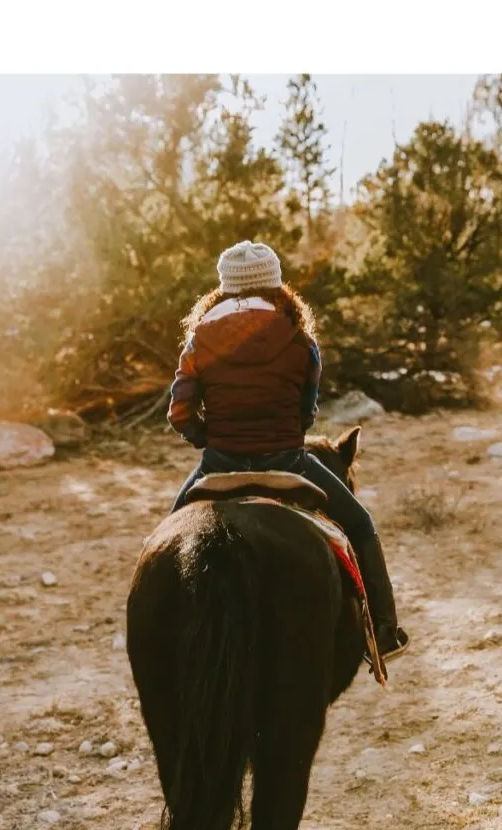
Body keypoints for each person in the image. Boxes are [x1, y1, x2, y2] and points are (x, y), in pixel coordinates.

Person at [167, 239, 409, 663]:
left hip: (218, 462)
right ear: (275, 284)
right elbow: (306, 414)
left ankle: (163, 644)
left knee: (166, 539)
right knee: (361, 523)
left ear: (224, 288)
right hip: (287, 460)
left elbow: (179, 412)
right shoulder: (300, 338)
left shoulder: (200, 338)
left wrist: (211, 438)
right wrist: (280, 433)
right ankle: (385, 633)